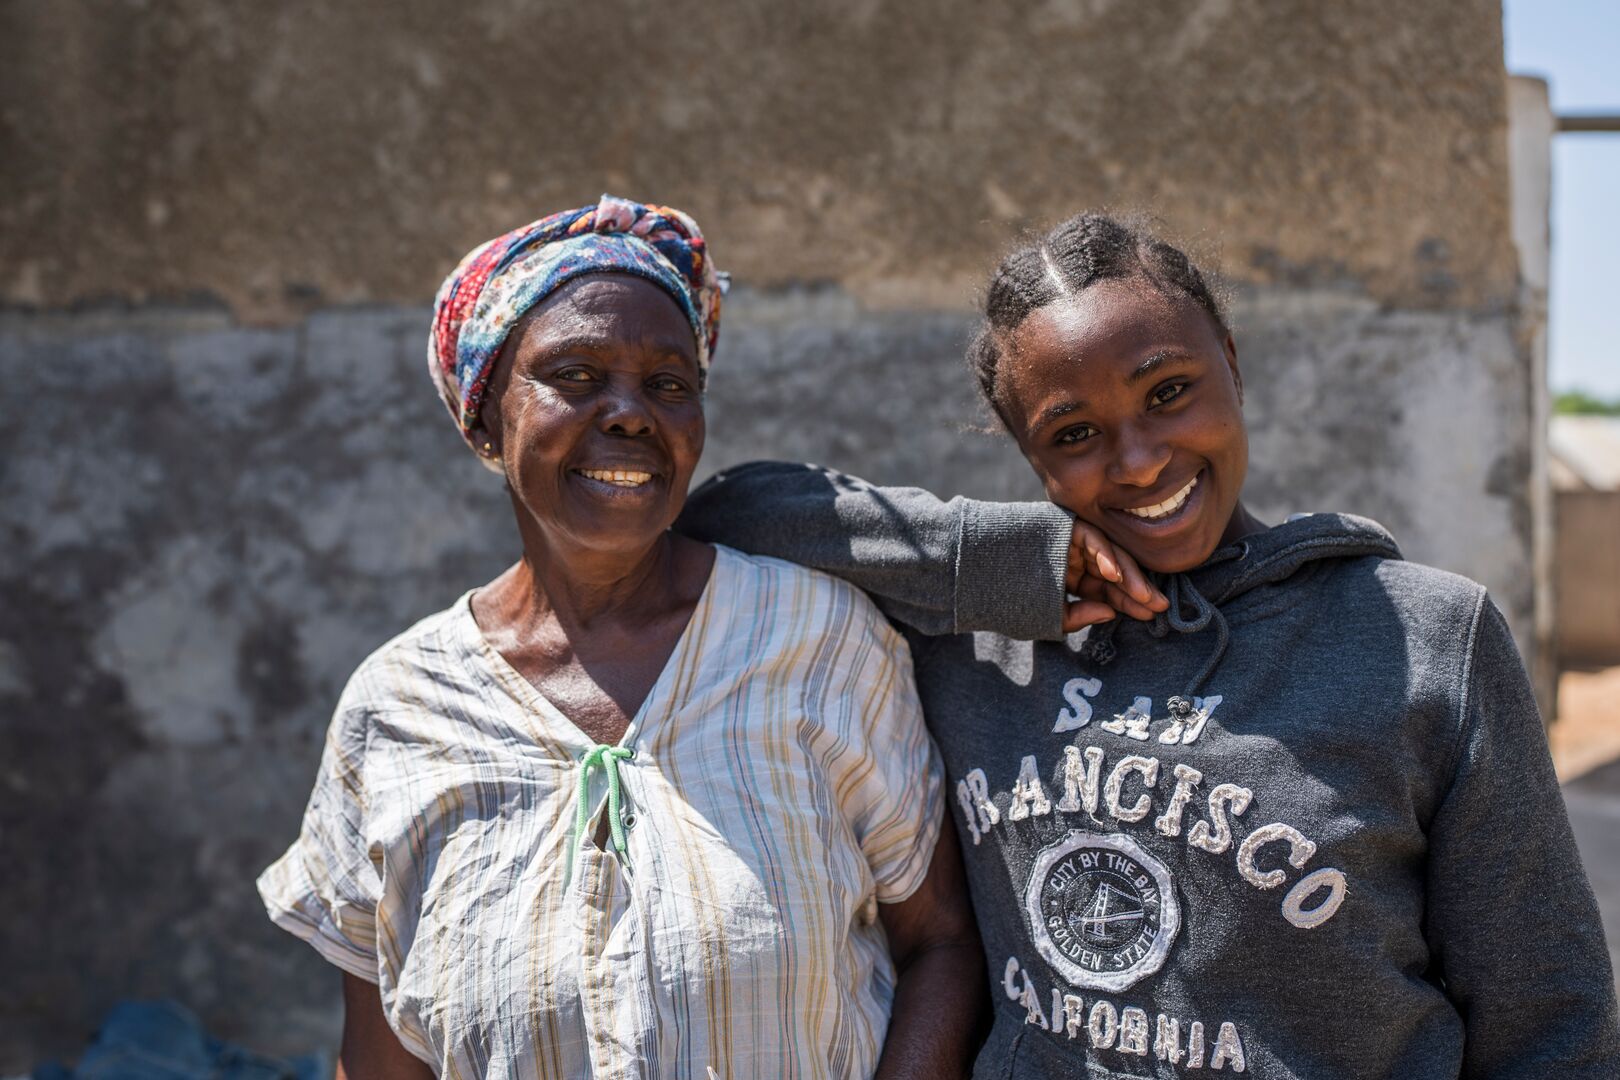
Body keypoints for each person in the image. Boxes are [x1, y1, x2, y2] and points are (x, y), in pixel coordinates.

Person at [678, 212, 1620, 1078]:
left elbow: (1553, 1022)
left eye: (1168, 392)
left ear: (1234, 367)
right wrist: (1002, 560)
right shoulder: (982, 643)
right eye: (1074, 434)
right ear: (1028, 455)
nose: (1138, 460)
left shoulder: (1424, 638)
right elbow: (732, 511)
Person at [257, 195, 986, 1079]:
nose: (631, 412)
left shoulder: (817, 640)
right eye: (575, 374)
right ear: (485, 418)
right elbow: (379, 1057)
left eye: (669, 385)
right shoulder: (399, 707)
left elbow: (942, 943)